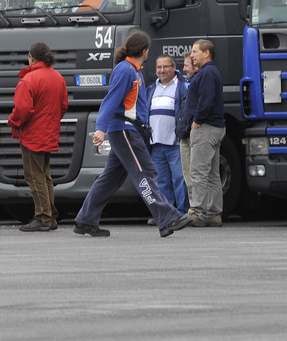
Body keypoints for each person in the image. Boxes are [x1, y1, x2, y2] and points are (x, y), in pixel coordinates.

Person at [73, 30, 192, 238]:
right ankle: (167, 218)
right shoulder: (126, 70)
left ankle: (85, 220)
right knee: (145, 173)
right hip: (125, 131)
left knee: (110, 179)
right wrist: (100, 128)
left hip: (127, 131)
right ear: (145, 51)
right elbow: (111, 100)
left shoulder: (133, 70)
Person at [8, 41, 68, 232]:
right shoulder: (58, 77)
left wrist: (13, 121)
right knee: (46, 175)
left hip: (33, 134)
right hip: (49, 131)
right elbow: (64, 106)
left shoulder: (29, 79)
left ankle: (43, 217)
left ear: (31, 57)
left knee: (35, 177)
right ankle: (51, 214)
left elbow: (23, 109)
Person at [186, 39, 226, 228]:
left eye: (195, 51)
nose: (192, 55)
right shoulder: (211, 72)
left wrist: (196, 122)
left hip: (205, 128)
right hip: (215, 127)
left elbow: (206, 100)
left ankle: (198, 212)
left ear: (206, 53)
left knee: (199, 171)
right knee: (211, 173)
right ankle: (213, 213)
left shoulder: (207, 73)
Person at [147, 55, 188, 212]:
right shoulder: (151, 89)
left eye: (166, 67)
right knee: (162, 181)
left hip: (175, 143)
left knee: (180, 179)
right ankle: (167, 214)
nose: (162, 70)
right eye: (159, 67)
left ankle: (183, 212)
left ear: (173, 67)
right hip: (156, 144)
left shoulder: (182, 87)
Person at [177, 53, 199, 195]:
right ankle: (194, 210)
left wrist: (193, 126)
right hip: (185, 134)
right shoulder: (188, 83)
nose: (183, 69)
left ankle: (200, 211)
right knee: (188, 176)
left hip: (193, 135)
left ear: (195, 67)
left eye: (186, 65)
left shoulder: (197, 84)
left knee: (196, 175)